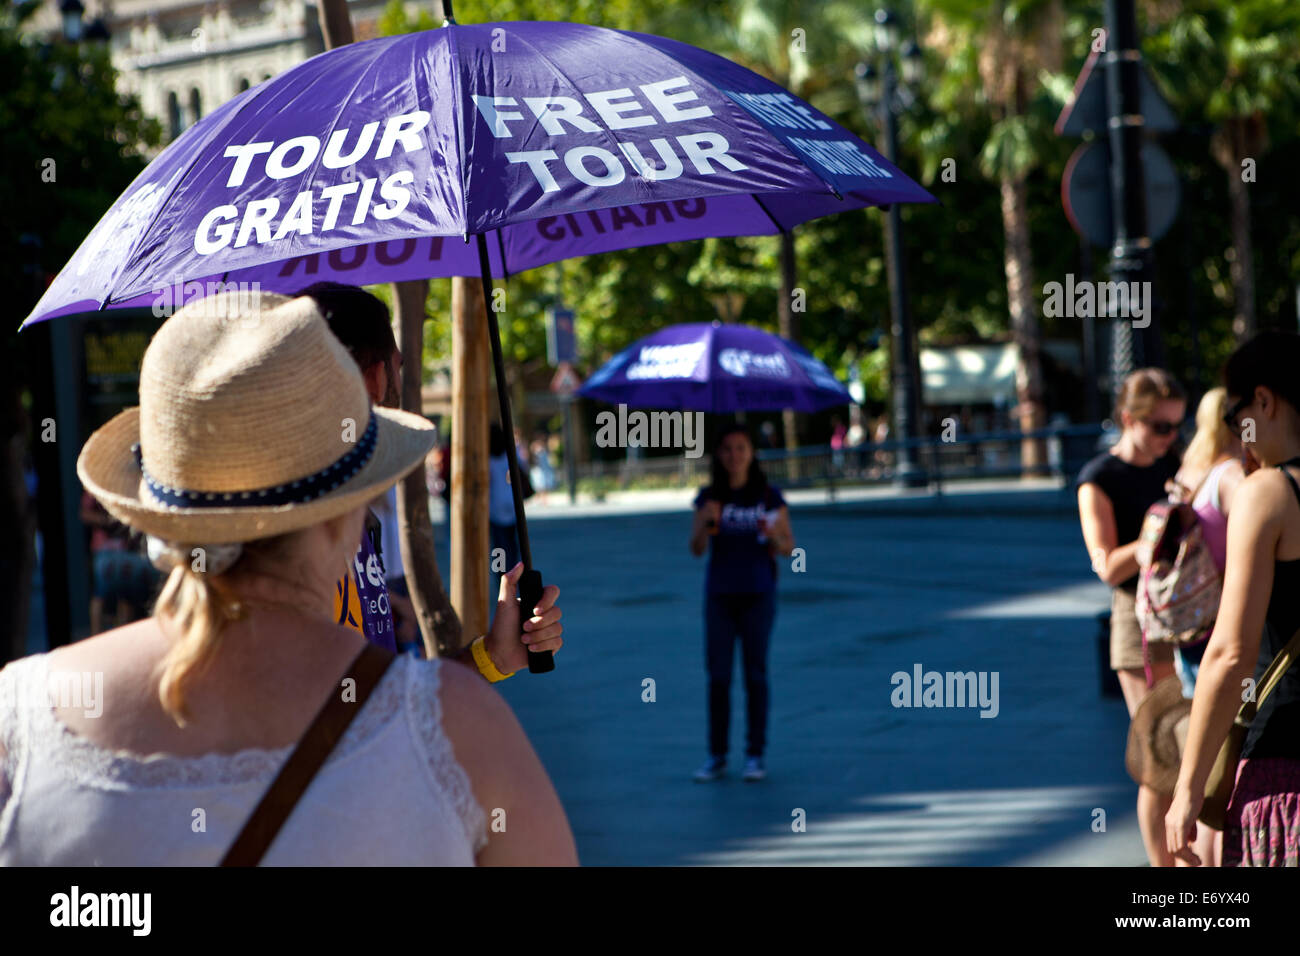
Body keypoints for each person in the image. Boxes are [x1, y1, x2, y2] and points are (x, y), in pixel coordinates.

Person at [0, 291, 576, 864]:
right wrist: (478, 675)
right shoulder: (464, 729)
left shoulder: (19, 720)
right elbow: (383, 716)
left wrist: (490, 659)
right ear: (341, 508)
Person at [299, 282, 562, 678]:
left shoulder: (332, 514)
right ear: (375, 379)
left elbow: (383, 699)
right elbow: (366, 716)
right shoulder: (311, 532)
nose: (400, 386)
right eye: (398, 368)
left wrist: (495, 656)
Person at [1167, 332, 1300, 867]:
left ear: (1264, 401)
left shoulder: (1269, 493)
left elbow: (1229, 653)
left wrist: (1187, 788)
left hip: (1284, 766)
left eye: (1236, 414)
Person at [1076, 367, 1186, 867]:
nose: (1169, 437)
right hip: (1135, 618)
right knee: (1159, 755)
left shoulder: (1177, 464)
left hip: (1186, 612)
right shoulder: (1099, 478)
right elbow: (1103, 566)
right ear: (1128, 419)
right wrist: (1148, 536)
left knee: (1191, 748)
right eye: (1160, 426)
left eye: (1176, 426)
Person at [688, 424, 795, 783]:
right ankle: (716, 755)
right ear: (719, 455)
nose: (734, 455)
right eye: (728, 449)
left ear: (752, 453)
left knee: (755, 674)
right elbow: (696, 549)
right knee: (718, 677)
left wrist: (773, 536)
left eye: (741, 448)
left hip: (758, 595)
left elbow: (790, 548)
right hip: (719, 596)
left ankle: (755, 753)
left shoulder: (769, 496)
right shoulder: (708, 497)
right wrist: (706, 523)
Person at [489, 424, 521, 599]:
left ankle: (502, 581)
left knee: (499, 549)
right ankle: (514, 578)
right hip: (512, 506)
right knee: (513, 547)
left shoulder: (487, 459)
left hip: (495, 508)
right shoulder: (511, 454)